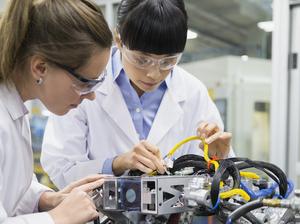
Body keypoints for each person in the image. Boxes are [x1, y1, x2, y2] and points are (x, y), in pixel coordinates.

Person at [41, 0, 234, 189]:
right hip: (98, 217)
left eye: (167, 61)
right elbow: (62, 168)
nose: (153, 74)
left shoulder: (193, 92)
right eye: (142, 60)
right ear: (119, 39)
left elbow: (216, 184)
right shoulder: (86, 83)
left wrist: (218, 158)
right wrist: (118, 163)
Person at [0, 0, 112, 223]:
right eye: (84, 83)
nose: (91, 96)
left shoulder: (14, 107)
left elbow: (10, 188)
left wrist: (47, 199)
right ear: (40, 67)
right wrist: (56, 219)